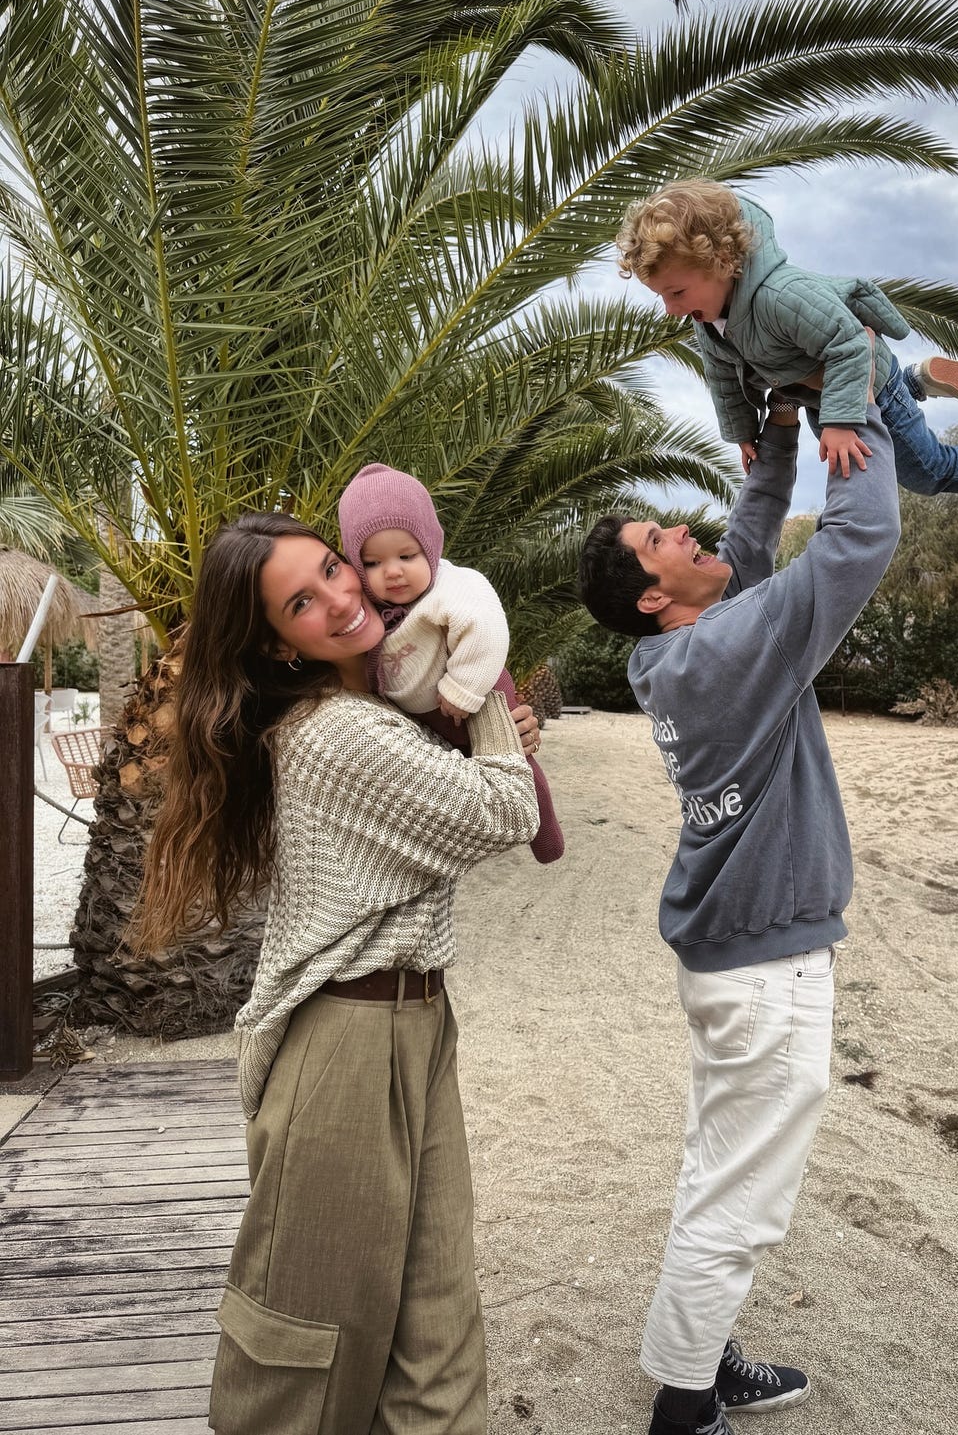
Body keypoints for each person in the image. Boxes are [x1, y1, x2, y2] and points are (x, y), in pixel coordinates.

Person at [134, 512, 542, 1435]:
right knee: (304, 1354)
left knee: (439, 1336)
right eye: (302, 602)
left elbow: (480, 792)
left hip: (415, 1021)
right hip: (345, 1046)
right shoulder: (330, 737)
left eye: (332, 568)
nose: (342, 597)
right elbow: (505, 808)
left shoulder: (371, 721)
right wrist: (473, 664)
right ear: (276, 642)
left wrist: (466, 712)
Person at [578, 364, 902, 1434]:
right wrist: (851, 412)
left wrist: (772, 432)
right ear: (652, 597)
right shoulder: (728, 650)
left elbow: (749, 549)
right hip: (766, 967)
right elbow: (854, 548)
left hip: (735, 954)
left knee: (716, 1168)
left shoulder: (673, 657)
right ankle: (684, 1409)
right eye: (660, 541)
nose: (684, 530)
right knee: (741, 1197)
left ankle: (702, 1359)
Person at [616, 177, 958, 547]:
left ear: (722, 262)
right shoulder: (709, 318)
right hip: (819, 394)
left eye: (677, 293)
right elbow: (721, 377)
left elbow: (850, 345)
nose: (671, 309)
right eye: (662, 297)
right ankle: (914, 382)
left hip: (857, 380)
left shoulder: (780, 296)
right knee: (846, 439)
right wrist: (742, 433)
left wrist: (844, 422)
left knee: (927, 472)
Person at [338, 462, 564, 864]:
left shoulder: (454, 584)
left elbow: (486, 626)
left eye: (407, 555)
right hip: (427, 714)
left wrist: (464, 688)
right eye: (371, 563)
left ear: (430, 545)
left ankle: (547, 839)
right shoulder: (365, 608)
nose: (391, 572)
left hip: (479, 689)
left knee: (517, 759)